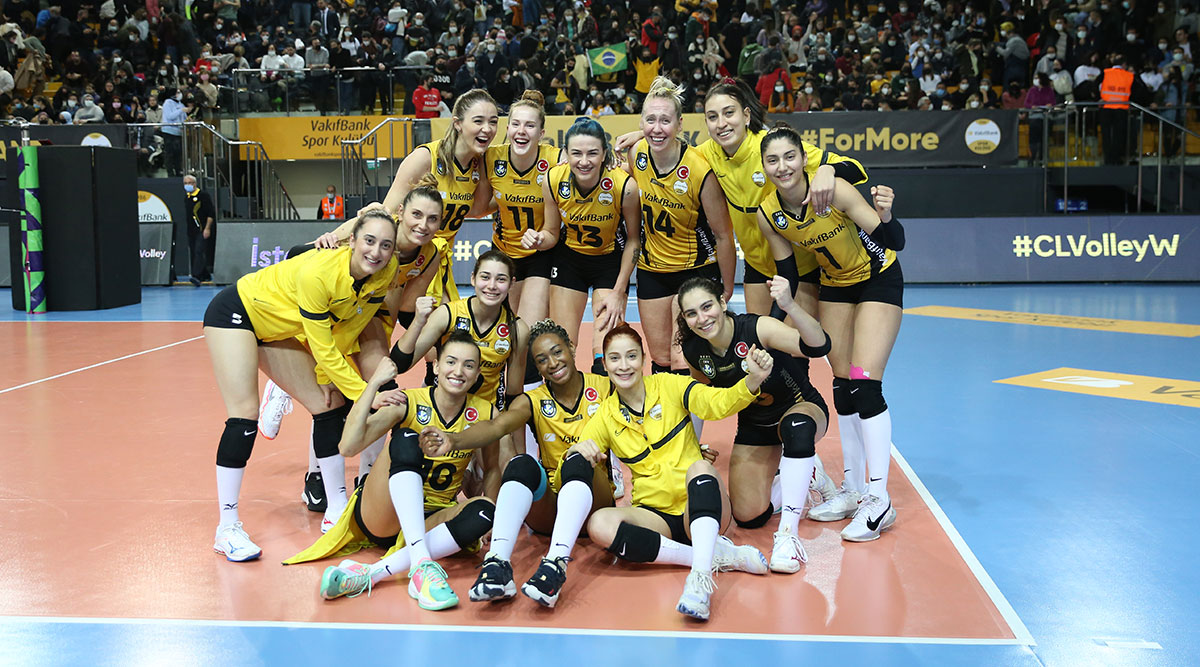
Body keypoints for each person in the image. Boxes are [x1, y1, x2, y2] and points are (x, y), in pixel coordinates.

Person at [203, 210, 399, 562]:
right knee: (244, 416)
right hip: (238, 313)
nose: (376, 252)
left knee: (328, 405)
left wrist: (331, 380)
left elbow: (349, 326)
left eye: (386, 245)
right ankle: (227, 527)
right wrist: (366, 394)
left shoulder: (386, 272)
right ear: (351, 240)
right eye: (369, 241)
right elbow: (321, 345)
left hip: (276, 330)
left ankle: (336, 508)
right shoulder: (319, 273)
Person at [756, 123, 904, 543]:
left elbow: (895, 239)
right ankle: (854, 489)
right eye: (772, 160)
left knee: (865, 382)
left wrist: (888, 212)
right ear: (764, 167)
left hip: (878, 277)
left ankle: (879, 500)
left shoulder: (833, 189)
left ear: (803, 158)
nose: (782, 166)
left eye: (789, 157)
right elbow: (787, 273)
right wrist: (767, 324)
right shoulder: (770, 214)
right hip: (835, 286)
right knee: (841, 384)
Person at [615, 78, 868, 318]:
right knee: (760, 347)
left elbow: (856, 167)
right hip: (757, 268)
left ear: (746, 115)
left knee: (794, 352)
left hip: (799, 268)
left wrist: (828, 170)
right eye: (712, 117)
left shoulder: (772, 147)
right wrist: (642, 135)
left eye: (729, 113)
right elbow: (671, 145)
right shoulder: (707, 154)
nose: (721, 123)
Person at [261, 187, 449, 509]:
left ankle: (368, 478)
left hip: (373, 313)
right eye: (417, 215)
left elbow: (404, 304)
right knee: (331, 394)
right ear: (401, 211)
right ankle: (315, 473)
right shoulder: (374, 224)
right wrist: (325, 241)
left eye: (433, 219)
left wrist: (402, 336)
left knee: (382, 386)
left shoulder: (432, 252)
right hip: (337, 307)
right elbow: (302, 256)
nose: (423, 225)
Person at [570, 324, 771, 621]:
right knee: (599, 524)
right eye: (614, 358)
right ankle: (713, 556)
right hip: (655, 516)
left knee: (700, 467)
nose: (623, 366)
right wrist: (579, 451)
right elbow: (575, 454)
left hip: (701, 506)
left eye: (631, 356)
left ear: (643, 358)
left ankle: (700, 581)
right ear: (605, 365)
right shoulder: (606, 414)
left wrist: (753, 380)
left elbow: (716, 404)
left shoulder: (669, 385)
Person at [288, 333, 502, 611]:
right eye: (451, 362)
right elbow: (348, 446)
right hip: (383, 516)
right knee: (406, 439)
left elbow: (493, 468)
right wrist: (373, 384)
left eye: (468, 365)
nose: (458, 371)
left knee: (487, 510)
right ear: (436, 366)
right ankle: (423, 565)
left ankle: (373, 573)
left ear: (476, 375)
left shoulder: (484, 413)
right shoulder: (407, 402)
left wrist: (494, 529)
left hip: (432, 517)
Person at [418, 319, 615, 607]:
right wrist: (454, 440)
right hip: (551, 508)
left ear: (571, 348)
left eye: (557, 352)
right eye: (541, 359)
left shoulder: (605, 387)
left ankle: (554, 565)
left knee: (577, 458)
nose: (552, 363)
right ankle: (497, 566)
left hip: (596, 500)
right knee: (521, 463)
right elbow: (496, 428)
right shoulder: (532, 401)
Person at [676, 277, 836, 571]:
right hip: (755, 425)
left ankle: (788, 537)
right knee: (749, 516)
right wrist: (693, 446)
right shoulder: (695, 351)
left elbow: (818, 345)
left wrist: (788, 304)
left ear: (723, 303)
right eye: (692, 313)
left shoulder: (756, 328)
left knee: (796, 429)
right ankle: (806, 474)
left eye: (707, 306)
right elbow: (700, 399)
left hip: (801, 408)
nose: (702, 318)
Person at [316, 89, 499, 308]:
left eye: (493, 122)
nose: (487, 129)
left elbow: (477, 210)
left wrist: (512, 197)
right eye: (478, 121)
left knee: (444, 333)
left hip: (435, 262)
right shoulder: (425, 158)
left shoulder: (479, 167)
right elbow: (385, 213)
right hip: (400, 259)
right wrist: (337, 237)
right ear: (458, 123)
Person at [620, 76, 736, 374]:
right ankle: (665, 419)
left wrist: (727, 287)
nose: (657, 128)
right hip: (652, 271)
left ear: (680, 124)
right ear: (641, 122)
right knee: (659, 358)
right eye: (650, 120)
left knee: (683, 358)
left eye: (665, 121)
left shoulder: (699, 169)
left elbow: (723, 235)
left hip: (694, 270)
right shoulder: (636, 155)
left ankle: (687, 420)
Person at [520, 117, 640, 374]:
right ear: (565, 153)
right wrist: (539, 240)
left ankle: (606, 410)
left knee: (606, 350)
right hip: (569, 261)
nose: (584, 161)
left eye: (592, 153)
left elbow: (634, 240)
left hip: (609, 261)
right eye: (576, 153)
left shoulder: (624, 185)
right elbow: (552, 232)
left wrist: (619, 291)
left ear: (604, 154)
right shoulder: (553, 179)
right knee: (562, 347)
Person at [388, 251, 529, 412]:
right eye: (485, 277)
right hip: (440, 413)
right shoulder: (447, 314)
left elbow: (514, 396)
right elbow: (399, 365)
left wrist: (511, 436)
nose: (492, 285)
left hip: (485, 419)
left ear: (512, 284)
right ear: (473, 279)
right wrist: (418, 321)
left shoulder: (517, 330)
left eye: (501, 279)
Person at [474, 90, 561, 326]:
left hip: (540, 253)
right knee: (500, 328)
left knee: (526, 330)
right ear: (508, 128)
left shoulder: (556, 160)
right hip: (503, 251)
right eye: (515, 124)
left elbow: (593, 160)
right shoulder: (491, 157)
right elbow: (481, 207)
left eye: (530, 126)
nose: (521, 131)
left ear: (541, 133)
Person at [184, 174, 215, 285]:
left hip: (202, 229)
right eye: (185, 183)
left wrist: (207, 228)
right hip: (191, 231)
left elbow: (210, 213)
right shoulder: (187, 197)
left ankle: (196, 276)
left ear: (195, 184)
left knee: (198, 251)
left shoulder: (203, 196)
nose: (187, 185)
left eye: (189, 183)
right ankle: (205, 275)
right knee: (195, 252)